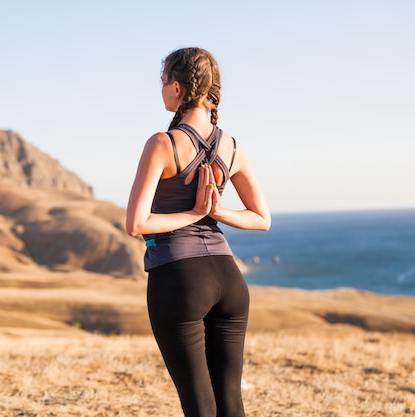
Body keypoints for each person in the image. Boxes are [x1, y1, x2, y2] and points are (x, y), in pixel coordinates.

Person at [126, 47, 271, 417]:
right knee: (230, 402)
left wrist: (193, 213)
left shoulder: (162, 143)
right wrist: (217, 212)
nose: (160, 90)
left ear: (177, 89)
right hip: (229, 278)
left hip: (179, 280)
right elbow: (261, 217)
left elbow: (137, 224)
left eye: (162, 83)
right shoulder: (232, 146)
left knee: (199, 407)